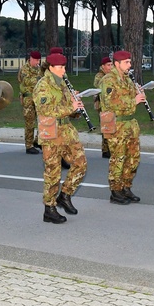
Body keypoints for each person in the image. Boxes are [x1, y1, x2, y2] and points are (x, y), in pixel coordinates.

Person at [32, 53, 88, 224]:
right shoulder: (43, 86)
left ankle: (65, 195)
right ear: (50, 68)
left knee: (81, 164)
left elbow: (69, 111)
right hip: (51, 132)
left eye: (64, 67)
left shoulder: (63, 82)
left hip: (66, 130)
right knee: (53, 172)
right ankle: (49, 208)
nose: (64, 70)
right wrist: (69, 106)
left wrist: (76, 106)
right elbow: (45, 110)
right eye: (60, 67)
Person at [98, 50, 145, 205]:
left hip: (130, 124)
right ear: (117, 64)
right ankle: (115, 191)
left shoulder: (127, 79)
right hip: (117, 124)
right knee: (118, 158)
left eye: (130, 62)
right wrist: (134, 101)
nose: (130, 65)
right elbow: (112, 103)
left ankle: (126, 186)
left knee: (133, 158)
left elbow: (131, 97)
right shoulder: (108, 80)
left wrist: (139, 93)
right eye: (126, 62)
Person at [17, 51, 43, 154]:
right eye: (36, 60)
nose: (37, 62)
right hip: (28, 99)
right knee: (30, 122)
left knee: (42, 121)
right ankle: (29, 145)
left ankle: (38, 141)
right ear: (31, 59)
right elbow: (27, 81)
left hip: (39, 98)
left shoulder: (39, 69)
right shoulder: (24, 69)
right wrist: (39, 79)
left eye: (39, 60)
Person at [93, 56, 113, 158]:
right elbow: (99, 86)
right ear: (103, 66)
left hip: (111, 104)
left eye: (111, 65)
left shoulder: (112, 75)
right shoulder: (99, 76)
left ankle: (110, 147)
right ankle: (105, 149)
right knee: (105, 126)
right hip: (102, 105)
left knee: (111, 126)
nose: (110, 67)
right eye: (108, 65)